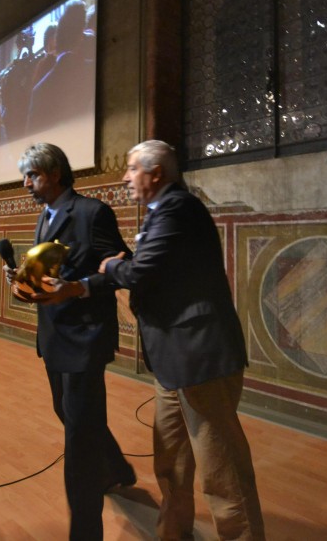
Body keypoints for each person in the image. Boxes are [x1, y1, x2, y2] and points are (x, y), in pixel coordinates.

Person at [99, 140, 266, 541]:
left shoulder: (177, 208)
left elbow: (142, 272)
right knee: (171, 462)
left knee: (222, 471)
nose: (125, 178)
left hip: (200, 358)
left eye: (132, 169)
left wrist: (111, 268)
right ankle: (172, 533)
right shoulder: (163, 212)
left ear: (155, 173)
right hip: (174, 360)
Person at [4, 143, 136, 541]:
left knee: (78, 439)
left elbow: (123, 267)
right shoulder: (45, 216)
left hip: (85, 338)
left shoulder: (93, 213)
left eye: (32, 175)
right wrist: (24, 279)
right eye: (25, 176)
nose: (26, 183)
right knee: (68, 412)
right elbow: (51, 273)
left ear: (55, 173)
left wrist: (78, 287)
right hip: (54, 336)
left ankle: (85, 531)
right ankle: (117, 469)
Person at [26, 1, 93, 137]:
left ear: (57, 41)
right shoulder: (91, 71)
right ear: (81, 36)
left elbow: (32, 140)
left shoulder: (39, 90)